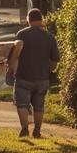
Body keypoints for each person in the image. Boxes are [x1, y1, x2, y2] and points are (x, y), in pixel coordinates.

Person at [5, 8, 59, 138]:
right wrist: (48, 70)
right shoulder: (50, 37)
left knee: (22, 103)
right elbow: (55, 61)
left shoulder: (22, 34)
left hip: (24, 76)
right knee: (39, 105)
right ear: (41, 20)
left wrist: (11, 69)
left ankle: (24, 128)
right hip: (42, 78)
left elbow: (16, 53)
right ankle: (37, 131)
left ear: (28, 20)